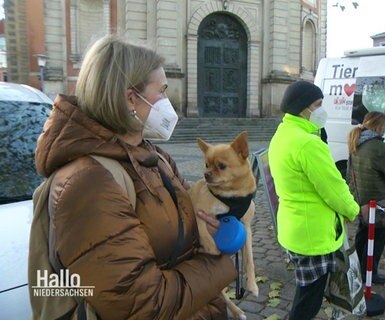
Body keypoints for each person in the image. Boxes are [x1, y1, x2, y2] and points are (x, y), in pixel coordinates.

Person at [32, 34, 236, 319]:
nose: (167, 101)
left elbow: (192, 218)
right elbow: (142, 305)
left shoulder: (154, 156)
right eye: (162, 91)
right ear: (131, 98)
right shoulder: (87, 182)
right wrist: (219, 265)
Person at [268, 80, 364, 319]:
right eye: (318, 104)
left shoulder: (284, 133)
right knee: (308, 300)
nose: (323, 110)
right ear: (303, 108)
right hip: (313, 235)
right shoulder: (308, 143)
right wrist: (353, 209)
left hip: (296, 228)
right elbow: (333, 187)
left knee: (307, 293)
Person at [347, 111, 385, 285]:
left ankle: (356, 269)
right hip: (378, 203)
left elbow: (349, 173)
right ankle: (370, 274)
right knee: (376, 239)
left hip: (360, 199)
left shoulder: (356, 141)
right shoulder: (381, 148)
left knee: (362, 236)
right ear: (380, 126)